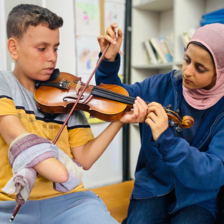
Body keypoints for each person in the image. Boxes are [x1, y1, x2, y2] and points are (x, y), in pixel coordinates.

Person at [0, 4, 149, 224]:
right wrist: (58, 168)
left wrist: (118, 121)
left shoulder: (68, 95)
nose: (52, 57)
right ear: (14, 48)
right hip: (10, 203)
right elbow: (14, 133)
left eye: (56, 48)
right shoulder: (4, 84)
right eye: (42, 48)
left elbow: (85, 159)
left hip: (70, 200)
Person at [96, 23, 224, 223]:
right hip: (153, 184)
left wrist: (168, 140)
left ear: (219, 73)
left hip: (198, 196)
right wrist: (108, 61)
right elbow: (113, 99)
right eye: (187, 60)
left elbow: (213, 172)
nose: (188, 72)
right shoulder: (164, 84)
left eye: (200, 68)